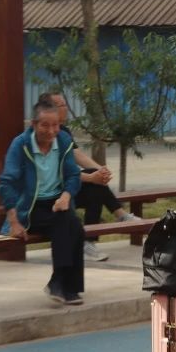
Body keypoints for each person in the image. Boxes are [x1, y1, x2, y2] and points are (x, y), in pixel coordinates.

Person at [0, 100, 86, 306]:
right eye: (45, 125)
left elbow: (73, 175)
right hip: (30, 208)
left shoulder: (64, 140)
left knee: (75, 226)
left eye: (55, 125)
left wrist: (66, 196)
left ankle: (64, 285)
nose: (51, 131)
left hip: (58, 203)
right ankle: (62, 284)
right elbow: (6, 183)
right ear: (34, 124)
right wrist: (13, 222)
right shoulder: (20, 145)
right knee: (65, 222)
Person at [37, 92, 137, 262]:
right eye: (62, 105)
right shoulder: (41, 136)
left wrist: (101, 171)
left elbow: (78, 156)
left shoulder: (64, 132)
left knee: (96, 185)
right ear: (49, 109)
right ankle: (120, 214)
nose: (66, 108)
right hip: (50, 196)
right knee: (93, 180)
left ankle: (87, 241)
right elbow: (58, 173)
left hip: (67, 191)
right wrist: (93, 176)